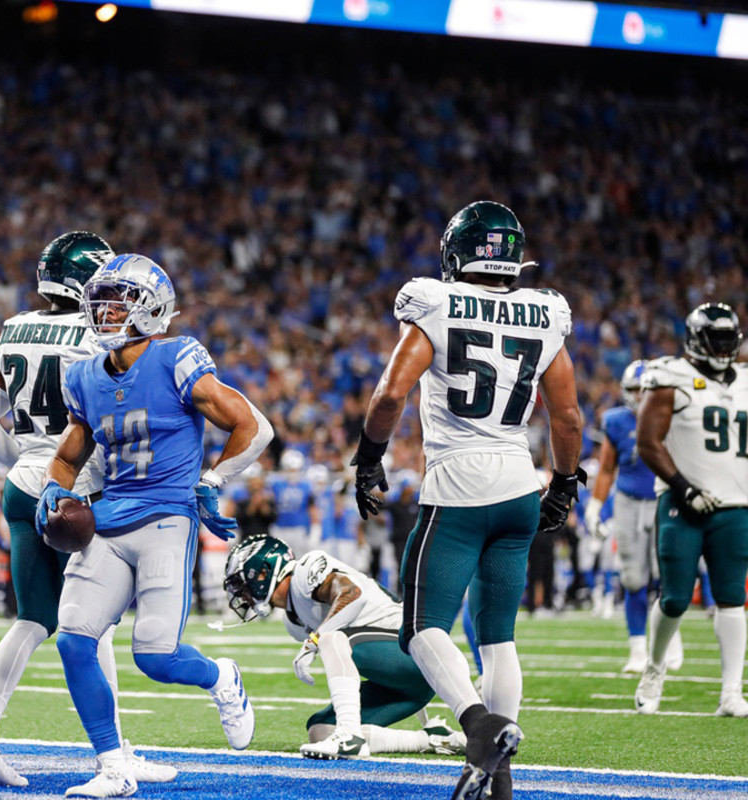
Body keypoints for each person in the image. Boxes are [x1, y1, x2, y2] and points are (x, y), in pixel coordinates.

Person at [352, 202, 583, 800]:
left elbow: (387, 396)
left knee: (421, 626)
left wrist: (370, 455)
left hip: (457, 484)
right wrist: (562, 482)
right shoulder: (544, 310)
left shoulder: (434, 299)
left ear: (457, 253)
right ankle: (497, 777)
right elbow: (568, 414)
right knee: (497, 635)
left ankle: (479, 728)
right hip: (519, 481)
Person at [38, 253, 273, 797]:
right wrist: (56, 485)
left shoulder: (177, 359)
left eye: (117, 299)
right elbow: (68, 456)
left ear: (152, 306)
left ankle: (222, 679)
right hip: (110, 515)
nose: (104, 310)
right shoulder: (83, 375)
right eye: (99, 300)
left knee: (156, 657)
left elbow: (252, 427)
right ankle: (113, 767)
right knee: (74, 640)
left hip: (168, 515)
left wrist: (212, 481)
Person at [0, 232, 172, 787]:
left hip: (25, 486)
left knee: (33, 619)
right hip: (81, 492)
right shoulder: (98, 334)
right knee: (93, 626)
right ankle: (115, 754)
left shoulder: (16, 330)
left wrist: (30, 459)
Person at [223, 536, 465, 758]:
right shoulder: (293, 621)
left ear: (264, 572)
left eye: (243, 583)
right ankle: (434, 739)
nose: (243, 595)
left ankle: (350, 735)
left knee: (332, 637)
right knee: (320, 730)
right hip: (403, 684)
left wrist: (315, 639)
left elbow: (352, 595)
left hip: (415, 654)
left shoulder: (306, 568)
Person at [633, 303, 748, 718]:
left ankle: (731, 691)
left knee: (733, 597)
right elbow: (647, 442)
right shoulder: (669, 376)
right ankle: (655, 667)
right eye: (714, 340)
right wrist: (684, 488)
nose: (722, 348)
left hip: (735, 506)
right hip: (682, 504)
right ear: (695, 340)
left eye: (727, 340)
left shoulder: (746, 380)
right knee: (676, 597)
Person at [586, 361, 683, 672]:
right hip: (627, 500)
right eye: (632, 389)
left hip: (663, 499)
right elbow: (606, 468)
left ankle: (670, 638)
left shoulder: (671, 416)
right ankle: (638, 648)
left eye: (643, 389)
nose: (638, 395)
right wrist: (594, 506)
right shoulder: (615, 421)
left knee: (666, 576)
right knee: (632, 578)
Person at [269, 450, 320, 555]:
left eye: (294, 469)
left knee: (298, 558)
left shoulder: (306, 485)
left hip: (298, 528)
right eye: (290, 469)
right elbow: (270, 505)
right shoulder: (276, 484)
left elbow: (312, 508)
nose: (292, 472)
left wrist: (315, 530)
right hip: (280, 527)